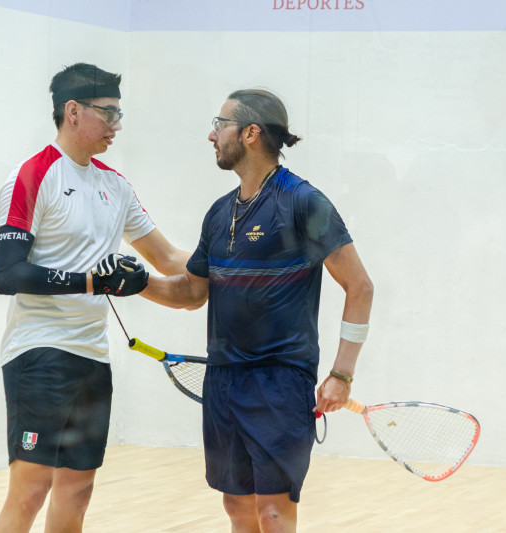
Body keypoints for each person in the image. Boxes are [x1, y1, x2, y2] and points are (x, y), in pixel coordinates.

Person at [142, 89, 374, 533]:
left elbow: (360, 286)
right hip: (224, 379)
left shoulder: (304, 202)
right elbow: (193, 292)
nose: (212, 135)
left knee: (273, 511)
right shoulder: (217, 213)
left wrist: (342, 374)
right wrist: (136, 284)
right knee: (238, 508)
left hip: (281, 381)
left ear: (250, 133)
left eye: (220, 124)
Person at [0, 62, 190, 533]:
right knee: (31, 489)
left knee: (77, 493)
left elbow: (167, 258)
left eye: (120, 115)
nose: (116, 125)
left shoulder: (115, 186)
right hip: (38, 353)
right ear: (72, 112)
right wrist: (90, 281)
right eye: (108, 113)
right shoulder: (32, 175)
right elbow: (6, 273)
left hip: (92, 358)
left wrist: (232, 264)